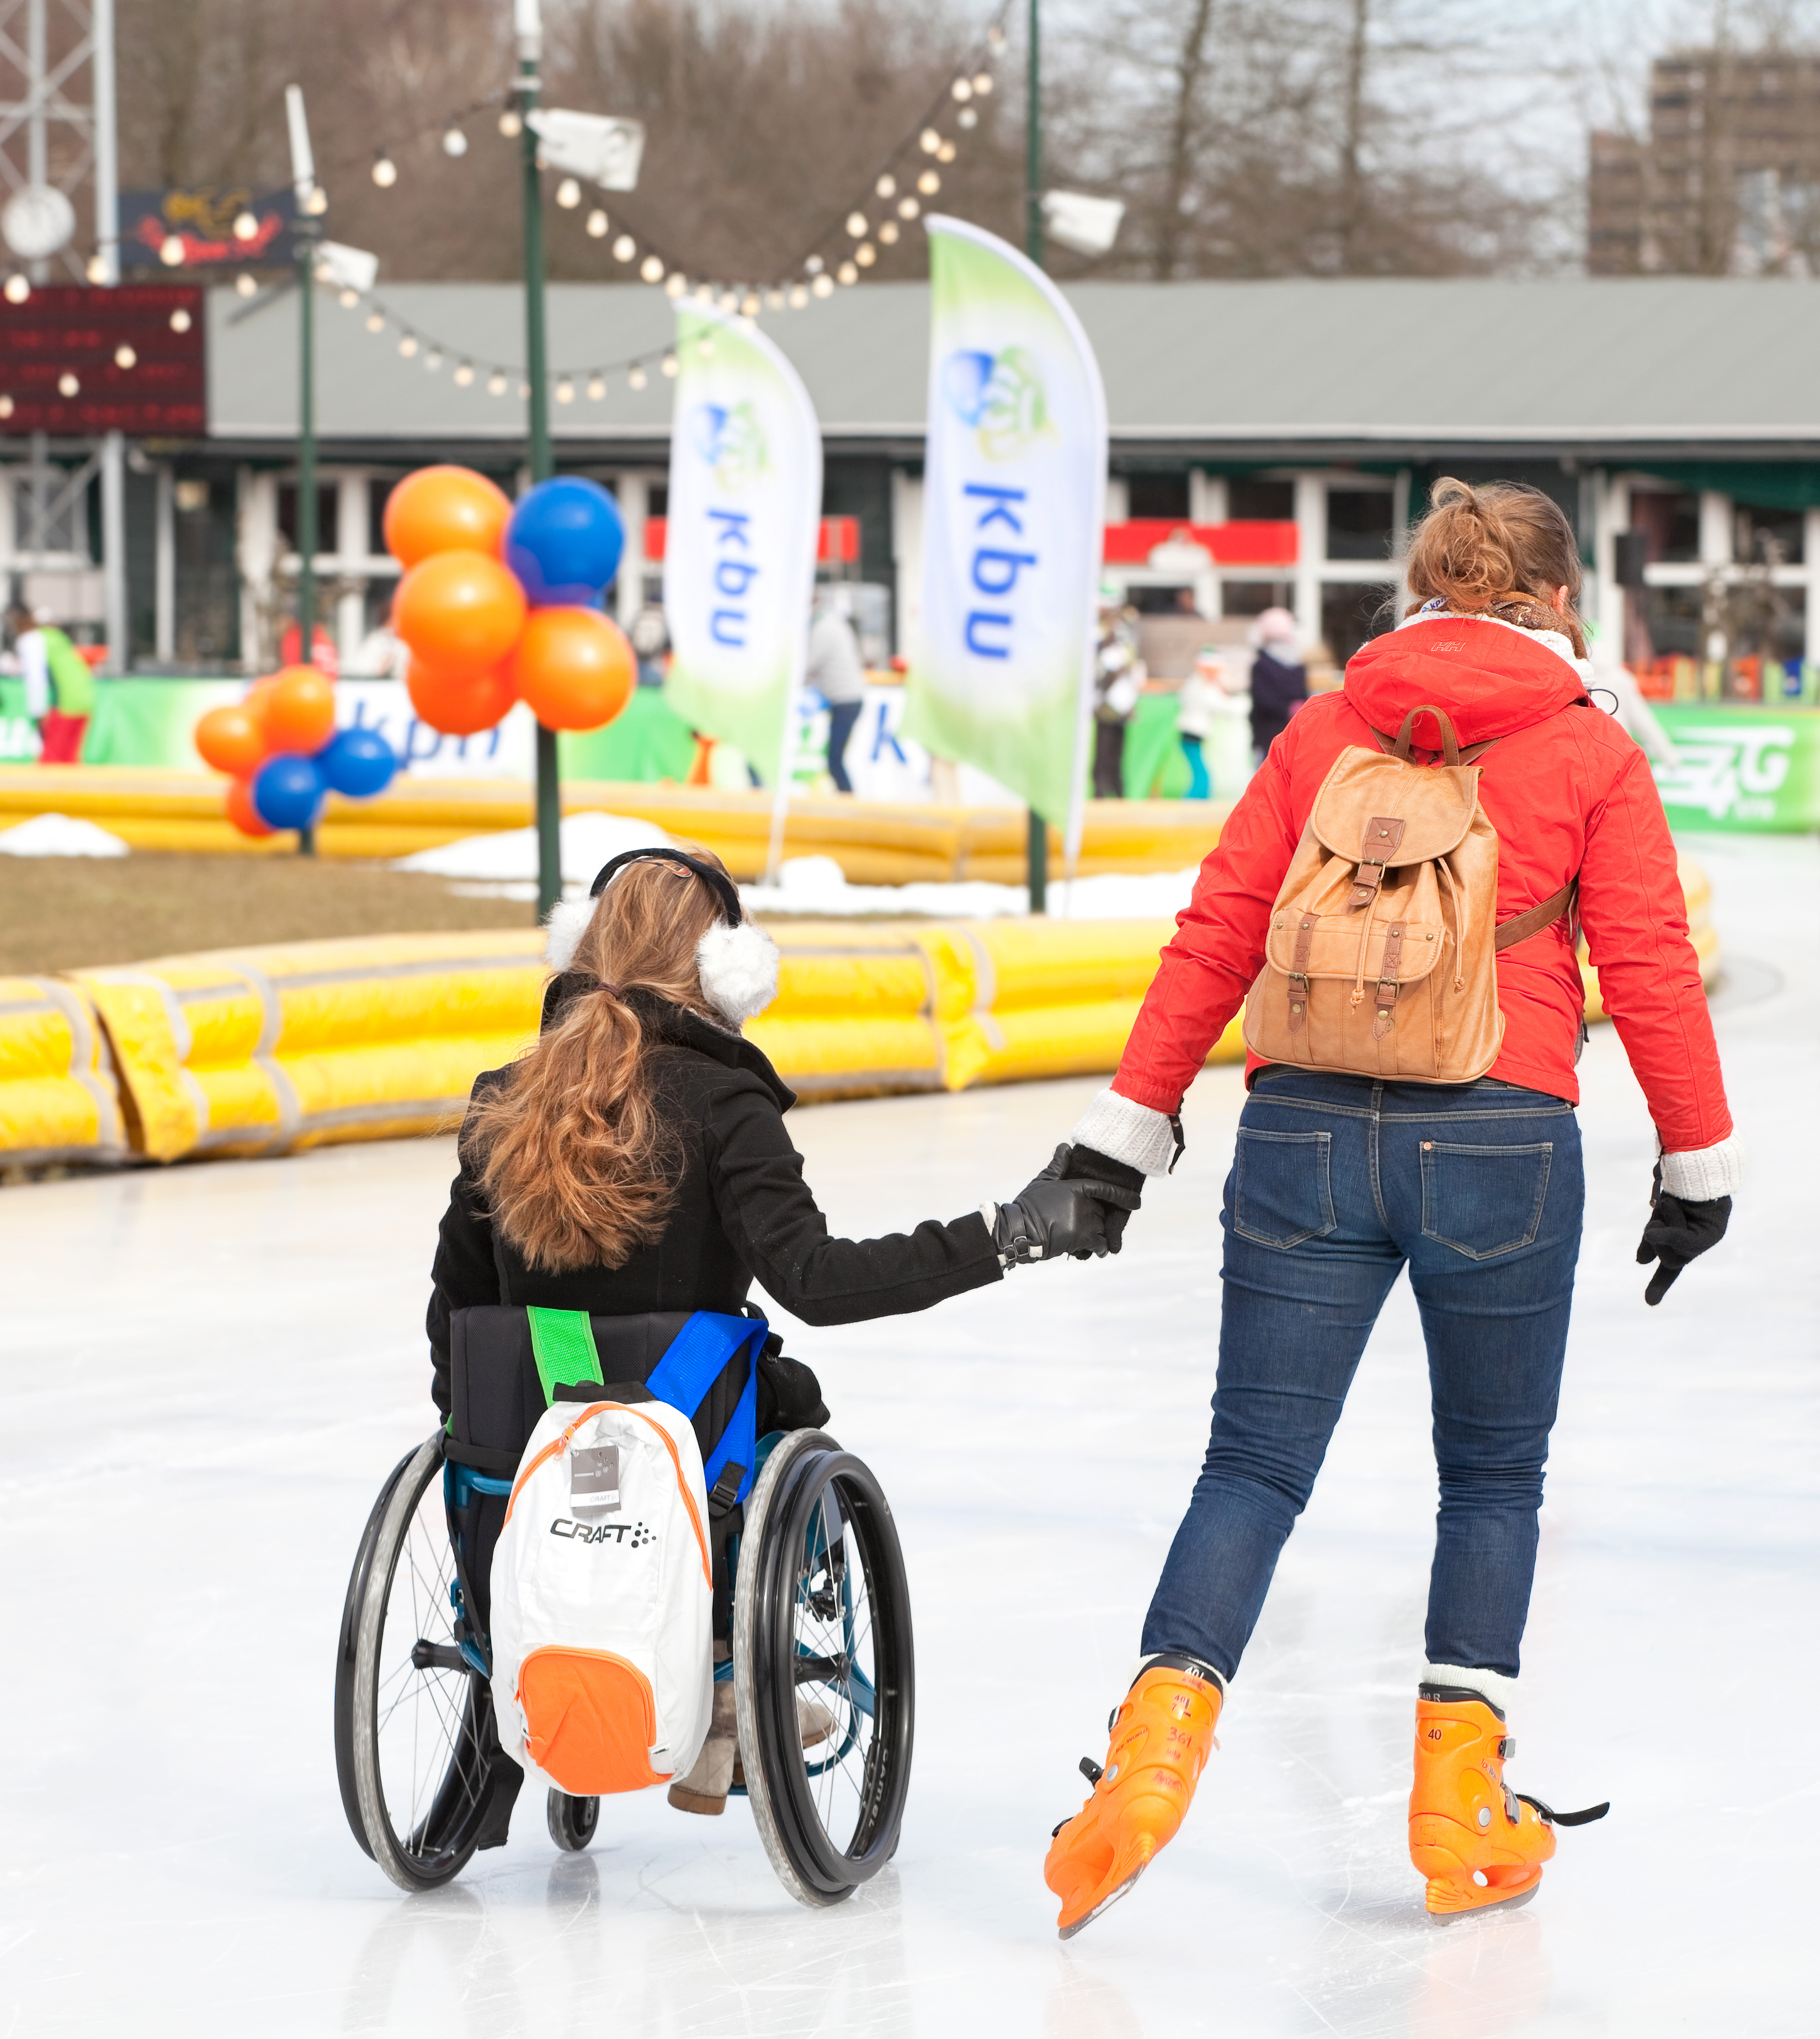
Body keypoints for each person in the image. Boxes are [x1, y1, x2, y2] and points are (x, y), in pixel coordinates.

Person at [1038, 478, 1737, 1935]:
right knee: (1489, 1477)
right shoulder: (1587, 749)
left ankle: (1150, 1763)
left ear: (1418, 586)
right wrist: (1694, 1160)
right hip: (1498, 1131)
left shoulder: (1319, 728)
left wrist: (1126, 1127)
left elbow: (1220, 928)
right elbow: (1652, 964)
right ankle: (1454, 1802)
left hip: (1296, 1127)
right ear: (1555, 602)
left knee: (1251, 1468)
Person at [427, 845, 1130, 1812]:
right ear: (723, 964)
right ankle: (728, 1673)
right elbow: (819, 1280)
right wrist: (1001, 1236)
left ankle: (524, 1625)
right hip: (690, 1455)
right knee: (780, 1402)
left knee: (528, 1375)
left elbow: (455, 1304)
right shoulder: (720, 1099)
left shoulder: (504, 1094)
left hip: (529, 1450)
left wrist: (481, 1455)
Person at [8, 602, 95, 764]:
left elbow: (36, 680)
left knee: (51, 762)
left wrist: (38, 714)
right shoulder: (52, 636)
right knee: (67, 760)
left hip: (67, 703)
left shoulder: (31, 640)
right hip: (84, 697)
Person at [805, 591, 865, 793]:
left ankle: (849, 804)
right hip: (848, 699)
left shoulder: (823, 628)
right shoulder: (833, 622)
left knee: (834, 760)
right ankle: (847, 802)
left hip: (845, 700)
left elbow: (808, 664)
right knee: (835, 759)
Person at [1093, 604, 1143, 799]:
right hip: (1106, 706)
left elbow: (1130, 673)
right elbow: (1102, 675)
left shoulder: (1123, 644)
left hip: (1121, 705)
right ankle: (1101, 791)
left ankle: (1117, 791)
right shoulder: (1100, 644)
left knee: (1116, 753)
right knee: (1104, 752)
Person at [1247, 606, 1306, 760]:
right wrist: (1288, 709)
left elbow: (1303, 694)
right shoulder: (1262, 665)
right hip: (1269, 734)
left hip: (1293, 732)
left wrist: (1301, 707)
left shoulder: (1298, 666)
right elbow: (1262, 698)